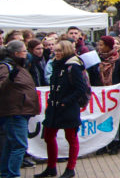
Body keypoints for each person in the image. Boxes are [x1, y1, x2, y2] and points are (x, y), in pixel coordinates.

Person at [34, 41, 85, 178]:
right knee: (49, 136)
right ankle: (51, 167)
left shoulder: (73, 67)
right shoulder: (55, 64)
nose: (56, 53)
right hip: (54, 107)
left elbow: (80, 89)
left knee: (71, 138)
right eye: (55, 51)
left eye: (59, 51)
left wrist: (65, 102)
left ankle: (70, 168)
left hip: (67, 108)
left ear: (66, 51)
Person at [0, 40, 40, 178]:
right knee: (19, 146)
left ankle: (6, 173)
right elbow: (2, 85)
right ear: (16, 53)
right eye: (24, 51)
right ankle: (12, 174)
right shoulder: (6, 67)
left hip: (19, 110)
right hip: (14, 111)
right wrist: (9, 79)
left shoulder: (17, 66)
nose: (26, 54)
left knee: (11, 144)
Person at [93, 36, 120, 156]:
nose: (100, 47)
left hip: (114, 95)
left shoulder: (119, 61)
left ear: (108, 46)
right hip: (101, 94)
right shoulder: (97, 60)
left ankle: (114, 142)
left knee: (113, 118)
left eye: (102, 45)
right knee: (102, 118)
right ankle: (102, 144)